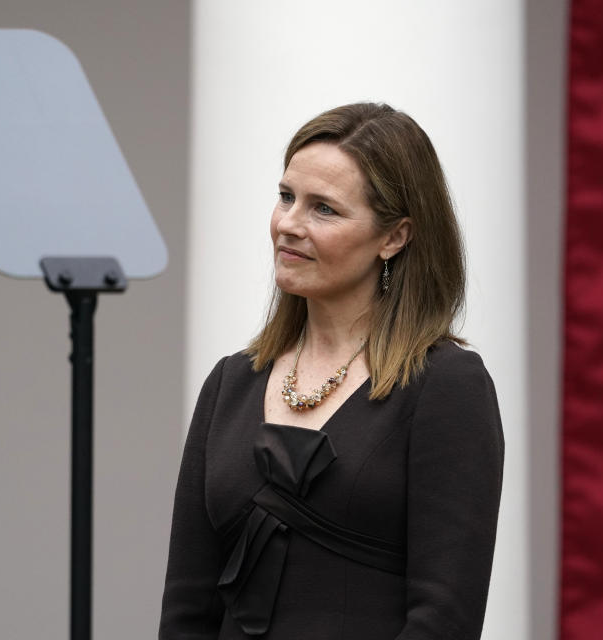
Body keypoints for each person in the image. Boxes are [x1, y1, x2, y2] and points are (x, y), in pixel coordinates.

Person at [159, 102, 504, 639]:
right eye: (286, 197)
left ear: (394, 237)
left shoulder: (447, 385)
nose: (289, 225)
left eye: (324, 209)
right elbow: (185, 609)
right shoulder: (230, 382)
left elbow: (445, 619)